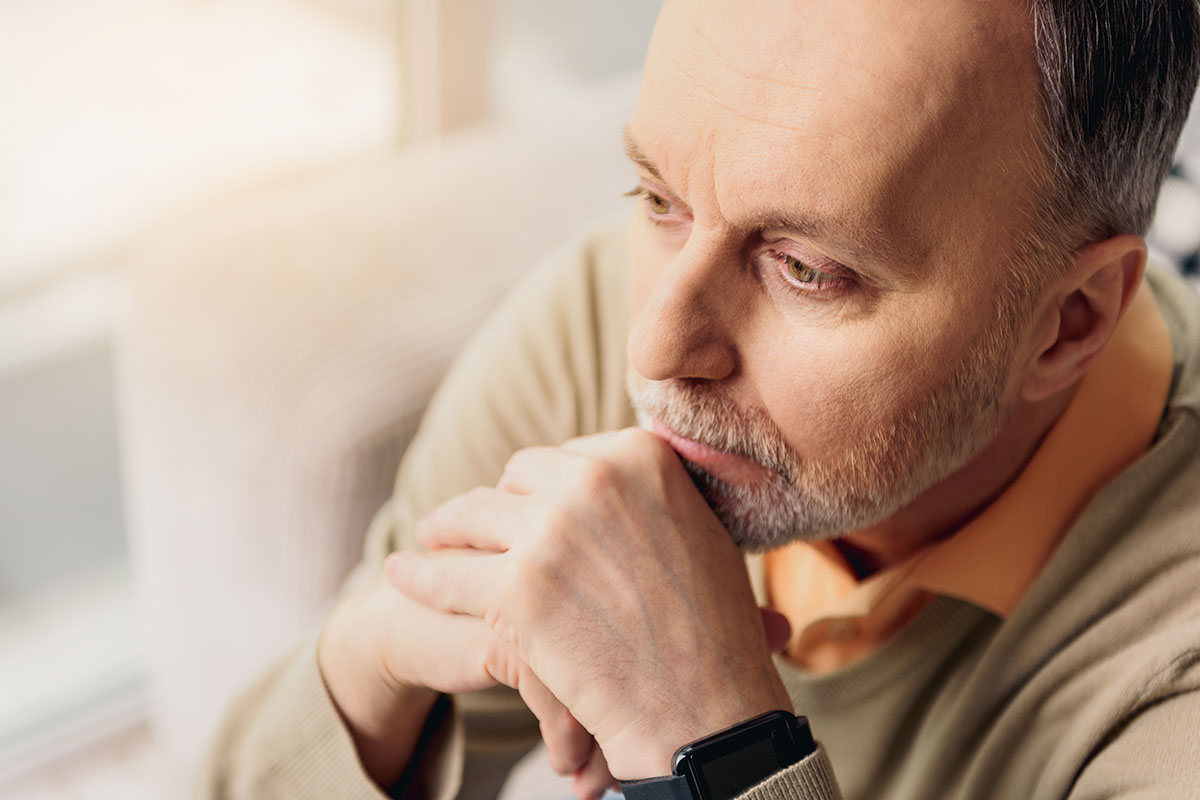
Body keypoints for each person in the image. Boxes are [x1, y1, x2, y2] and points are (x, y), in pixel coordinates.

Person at [198, 1, 1200, 798]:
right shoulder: (595, 316)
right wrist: (367, 676)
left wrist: (719, 749)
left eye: (805, 267)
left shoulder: (1171, 678)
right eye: (660, 200)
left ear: (1066, 322)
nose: (655, 345)